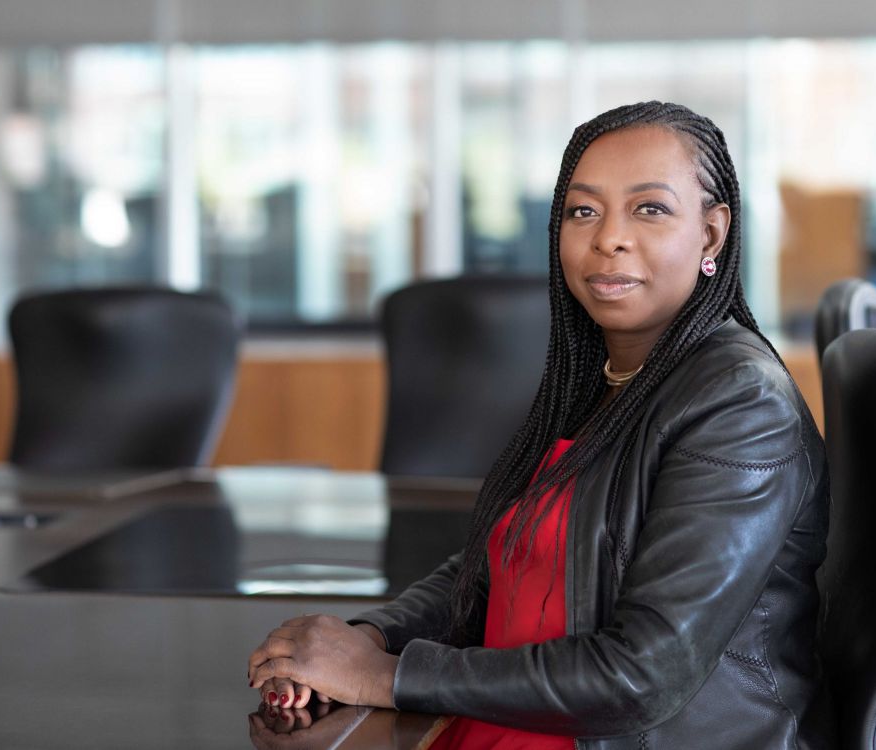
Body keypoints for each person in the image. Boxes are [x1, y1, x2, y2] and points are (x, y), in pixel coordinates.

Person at [248, 101, 832, 749]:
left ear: (712, 234)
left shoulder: (739, 403)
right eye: (584, 211)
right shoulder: (606, 378)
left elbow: (641, 676)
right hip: (507, 719)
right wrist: (371, 638)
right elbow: (505, 561)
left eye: (650, 209)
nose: (608, 237)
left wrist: (387, 676)